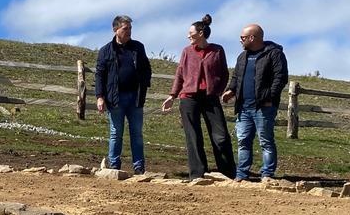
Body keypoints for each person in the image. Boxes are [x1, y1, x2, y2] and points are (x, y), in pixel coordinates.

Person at [161, 14, 236, 179]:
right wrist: (172, 95)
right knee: (193, 137)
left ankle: (228, 173)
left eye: (190, 33)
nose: (188, 36)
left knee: (221, 136)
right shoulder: (186, 51)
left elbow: (224, 73)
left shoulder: (217, 50)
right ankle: (197, 175)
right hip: (188, 98)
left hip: (210, 98)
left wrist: (218, 90)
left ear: (200, 33)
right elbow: (180, 73)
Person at [222, 23, 288, 181]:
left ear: (252, 38)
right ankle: (242, 174)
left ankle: (267, 174)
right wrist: (231, 90)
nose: (240, 40)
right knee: (243, 140)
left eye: (242, 37)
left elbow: (280, 78)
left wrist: (268, 98)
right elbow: (236, 77)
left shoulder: (274, 54)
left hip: (263, 108)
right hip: (244, 108)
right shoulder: (242, 56)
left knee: (265, 141)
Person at [95, 15, 152, 173]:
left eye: (130, 29)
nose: (129, 32)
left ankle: (139, 167)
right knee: (116, 133)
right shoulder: (105, 51)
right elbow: (100, 75)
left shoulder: (138, 47)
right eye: (125, 29)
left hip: (135, 97)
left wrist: (144, 84)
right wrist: (100, 96)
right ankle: (114, 164)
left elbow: (147, 68)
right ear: (115, 29)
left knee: (137, 134)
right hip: (115, 98)